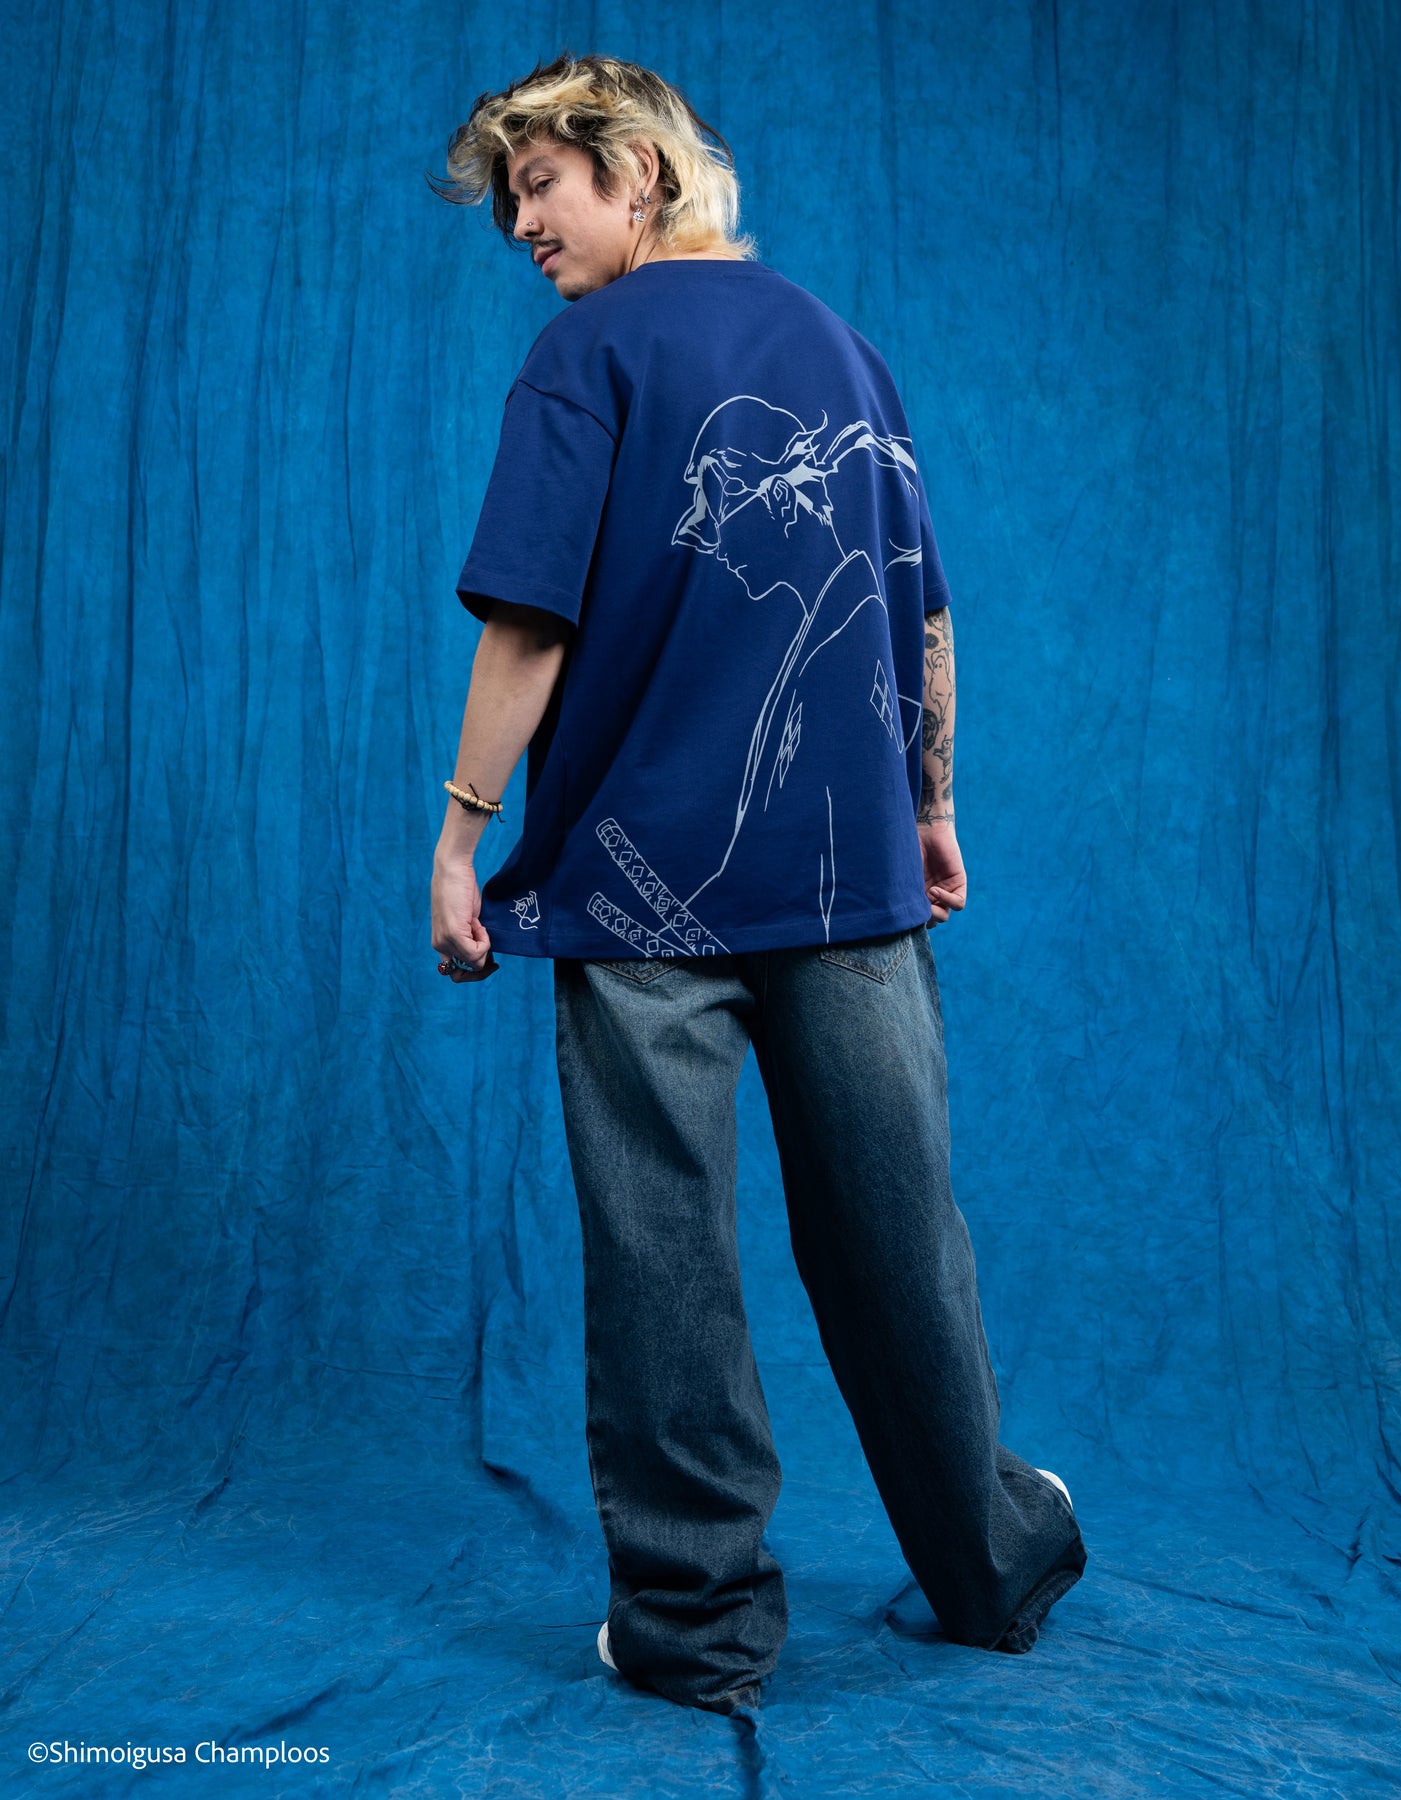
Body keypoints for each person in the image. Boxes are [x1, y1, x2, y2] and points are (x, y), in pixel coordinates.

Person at [429, 53, 1086, 1715]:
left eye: (541, 186)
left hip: (641, 890)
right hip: (850, 873)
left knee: (664, 1259)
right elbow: (920, 606)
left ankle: (696, 1628)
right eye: (511, 202)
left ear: (638, 172)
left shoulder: (585, 354)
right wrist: (932, 806)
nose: (524, 226)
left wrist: (460, 831)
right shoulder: (844, 348)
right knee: (898, 1239)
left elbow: (529, 621)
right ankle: (993, 1567)